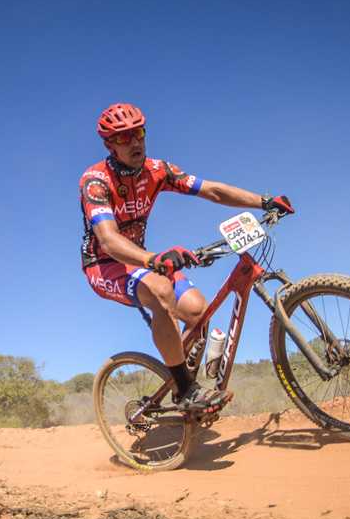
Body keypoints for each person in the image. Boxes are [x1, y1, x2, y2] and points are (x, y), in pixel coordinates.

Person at [79, 103, 294, 412]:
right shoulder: (96, 180)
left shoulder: (158, 171)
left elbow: (213, 191)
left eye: (138, 133)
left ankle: (182, 387)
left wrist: (264, 202)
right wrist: (154, 259)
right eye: (124, 138)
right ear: (109, 144)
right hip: (105, 265)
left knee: (197, 311)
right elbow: (109, 241)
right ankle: (186, 388)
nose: (135, 142)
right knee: (160, 290)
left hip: (144, 261)